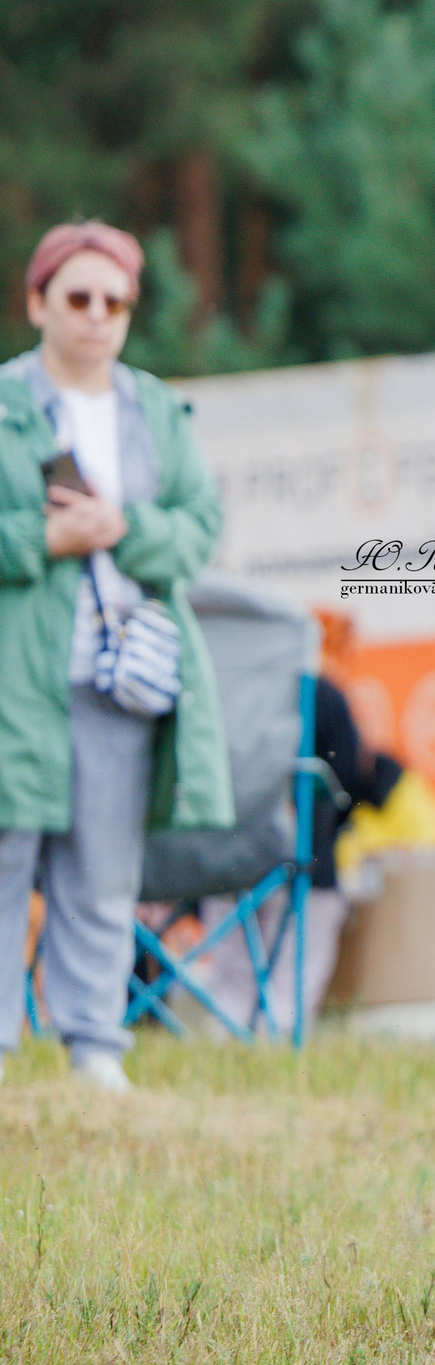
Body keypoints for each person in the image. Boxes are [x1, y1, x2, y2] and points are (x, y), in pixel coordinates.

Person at [0, 223, 232, 1091]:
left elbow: (200, 528)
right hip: (15, 675)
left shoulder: (157, 411)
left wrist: (126, 530)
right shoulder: (6, 403)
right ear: (38, 303)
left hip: (122, 676)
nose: (97, 317)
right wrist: (44, 537)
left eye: (115, 302)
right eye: (79, 299)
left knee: (103, 871)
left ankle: (96, 1047)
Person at [199, 666, 401, 1032]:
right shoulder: (320, 693)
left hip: (222, 862)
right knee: (290, 992)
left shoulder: (215, 687)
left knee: (232, 988)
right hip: (306, 863)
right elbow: (348, 781)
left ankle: (229, 1041)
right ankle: (276, 1047)